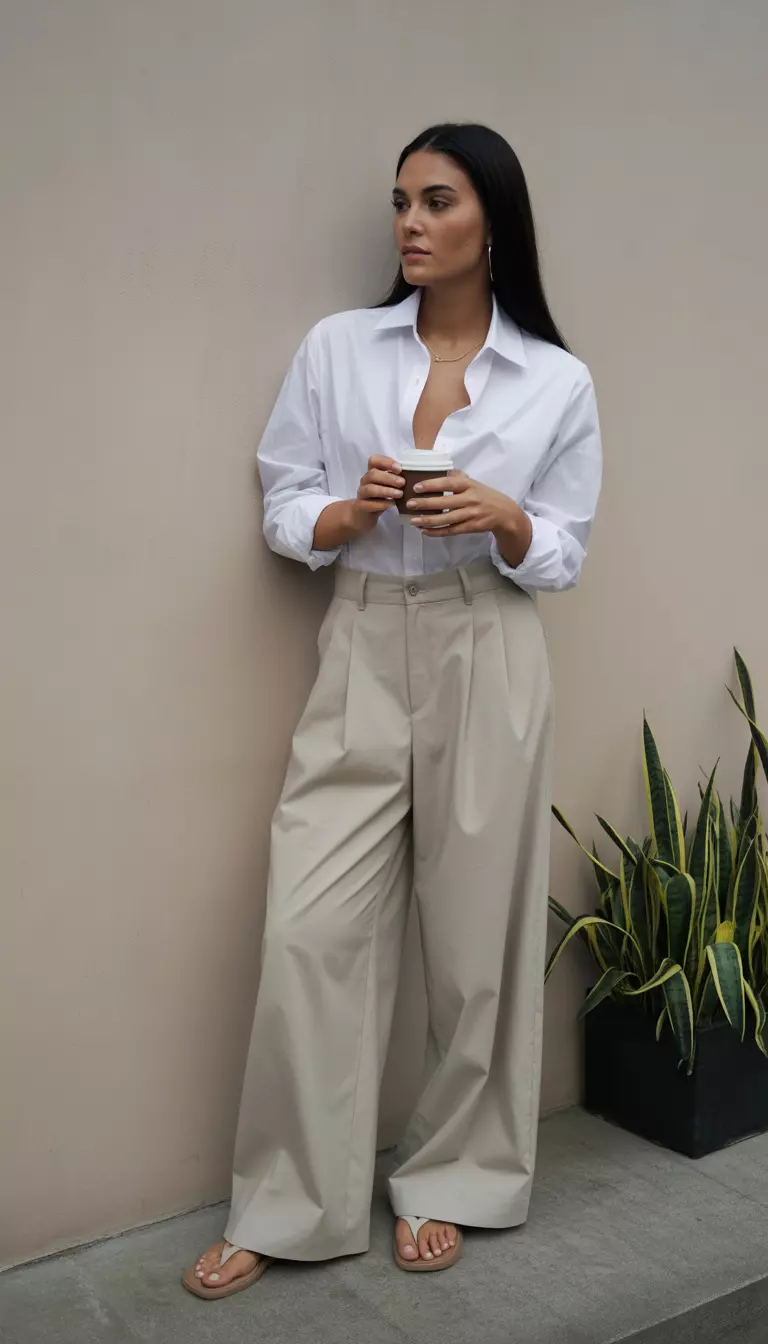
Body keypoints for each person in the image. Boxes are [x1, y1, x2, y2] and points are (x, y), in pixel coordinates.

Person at [183, 122, 602, 1300]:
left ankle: (456, 1179)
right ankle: (288, 1201)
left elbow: (564, 549)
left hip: (490, 637)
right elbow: (284, 501)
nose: (410, 224)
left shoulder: (556, 380)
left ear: (492, 223)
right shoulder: (339, 350)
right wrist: (350, 514)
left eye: (437, 202)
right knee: (309, 928)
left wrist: (502, 518)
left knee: (479, 941)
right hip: (363, 634)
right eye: (400, 204)